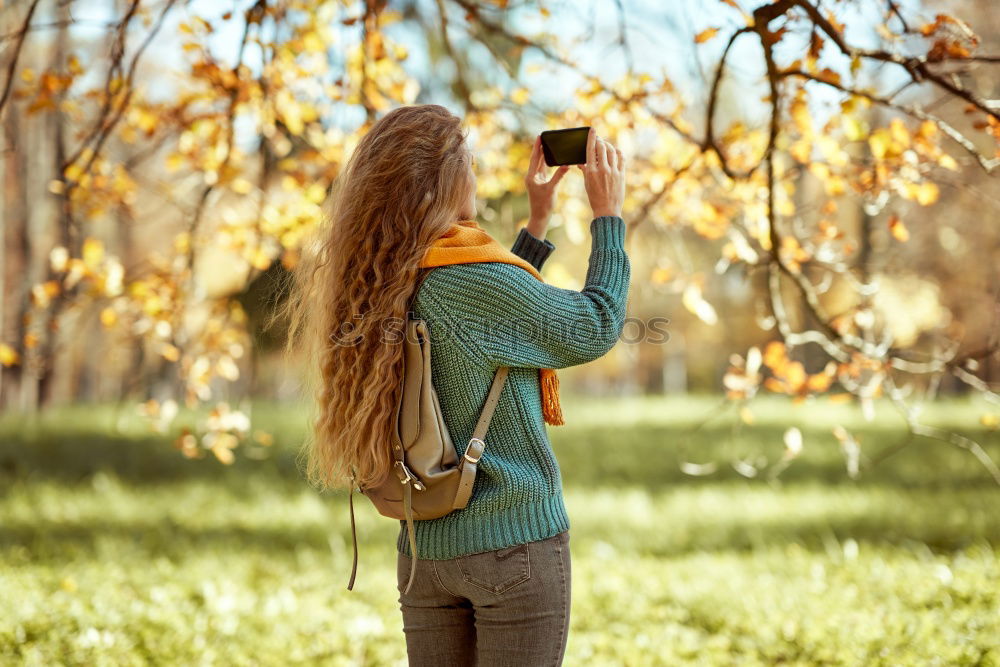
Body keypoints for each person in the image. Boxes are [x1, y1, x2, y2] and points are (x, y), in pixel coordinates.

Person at [283, 104, 629, 666]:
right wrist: (608, 218)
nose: (475, 173)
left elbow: (484, 333)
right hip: (511, 545)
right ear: (447, 178)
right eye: (468, 161)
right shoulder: (470, 280)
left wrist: (536, 224)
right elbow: (592, 325)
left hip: (426, 555)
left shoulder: (379, 280)